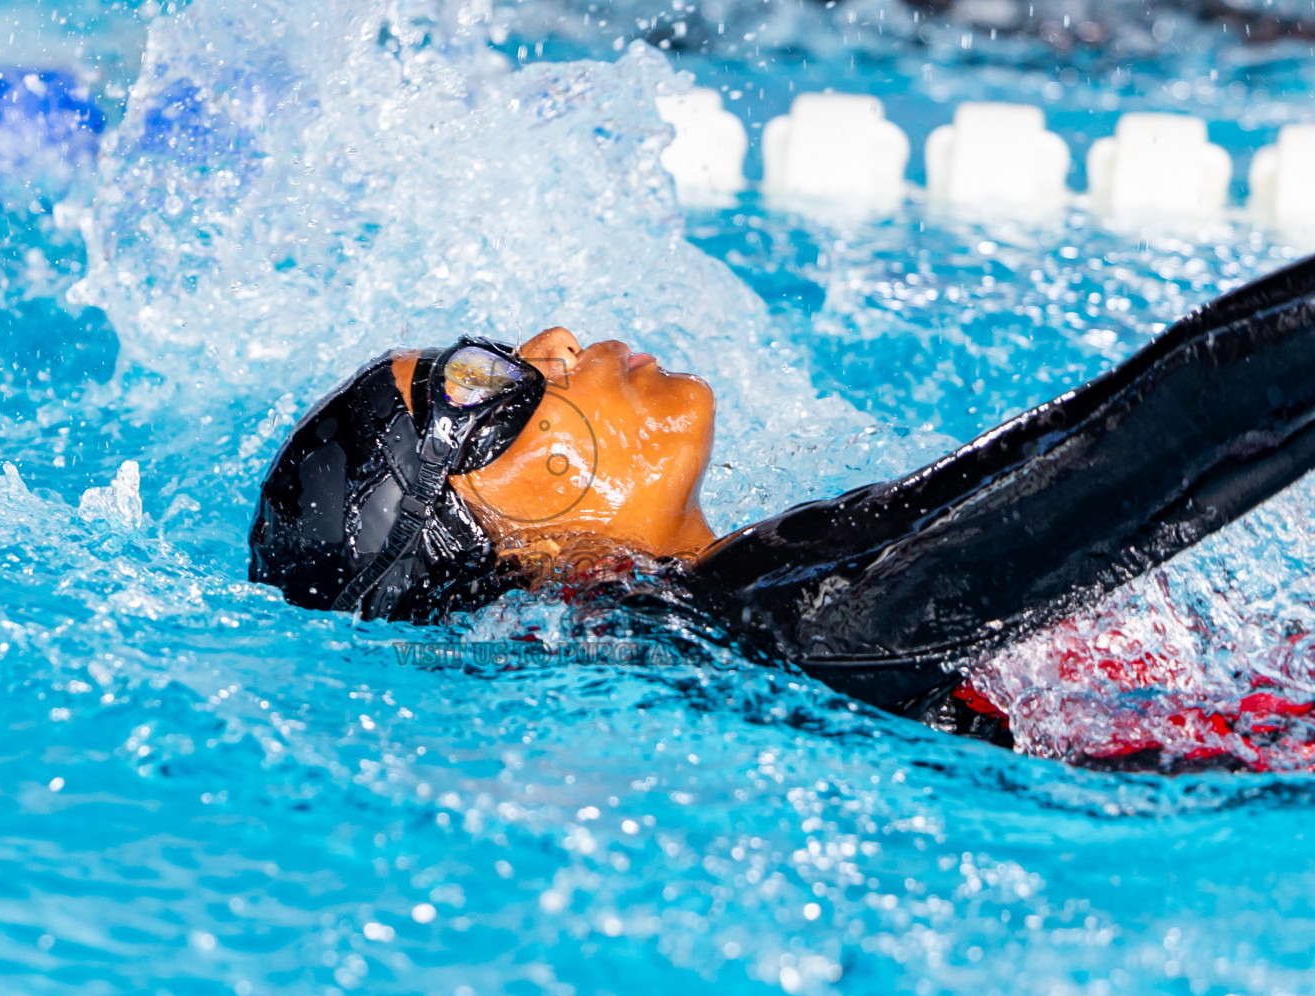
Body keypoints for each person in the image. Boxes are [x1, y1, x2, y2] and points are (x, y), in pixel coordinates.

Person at [249, 252, 1315, 729]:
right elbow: (1169, 432)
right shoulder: (783, 632)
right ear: (489, 541)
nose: (553, 342)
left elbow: (1094, 444)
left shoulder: (761, 599)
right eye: (476, 388)